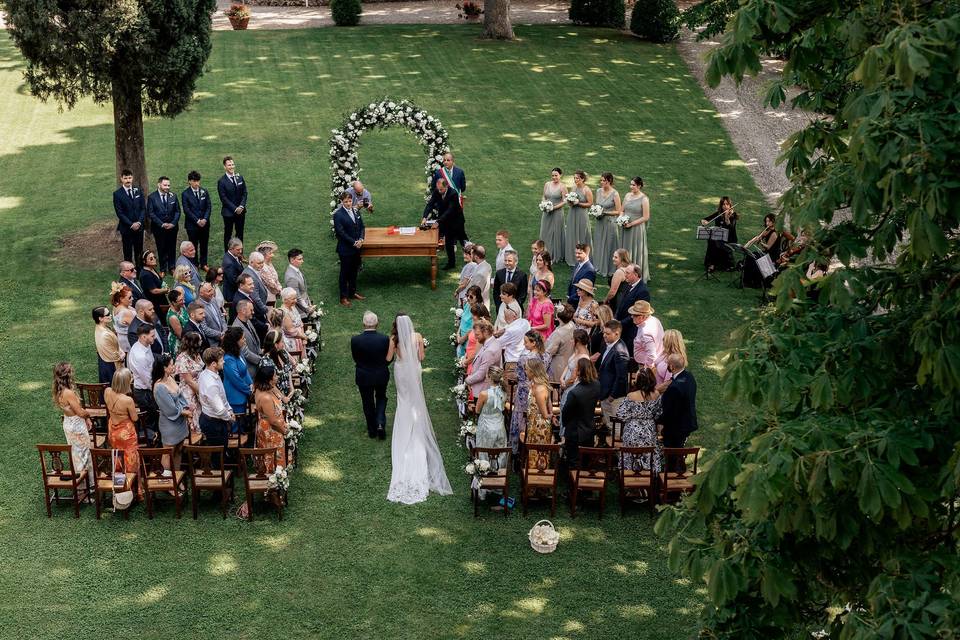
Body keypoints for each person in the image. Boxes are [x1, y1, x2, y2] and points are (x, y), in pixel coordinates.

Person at [386, 314, 453, 504]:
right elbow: (421, 357)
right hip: (414, 370)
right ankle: (416, 423)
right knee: (415, 401)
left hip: (400, 371)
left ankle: (404, 423)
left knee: (403, 399)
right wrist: (418, 351)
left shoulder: (393, 339)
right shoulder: (417, 337)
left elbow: (389, 358)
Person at [53, 362, 95, 489]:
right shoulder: (68, 393)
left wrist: (86, 418)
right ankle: (85, 486)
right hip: (76, 426)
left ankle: (83, 484)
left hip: (69, 422)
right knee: (84, 454)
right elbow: (80, 412)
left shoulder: (59, 391)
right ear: (68, 375)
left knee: (76, 454)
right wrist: (90, 413)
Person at [508, 331, 550, 455]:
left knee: (521, 418)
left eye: (526, 342)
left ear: (534, 343)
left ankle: (517, 451)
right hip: (542, 388)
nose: (524, 344)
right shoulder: (546, 356)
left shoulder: (524, 358)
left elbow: (519, 376)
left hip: (524, 393)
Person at [351, 311, 390, 440]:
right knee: (381, 397)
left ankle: (372, 430)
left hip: (363, 376)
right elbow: (389, 358)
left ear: (363, 324)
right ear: (377, 324)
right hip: (381, 375)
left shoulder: (355, 340)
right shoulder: (384, 339)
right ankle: (380, 423)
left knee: (367, 402)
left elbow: (355, 358)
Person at [104, 368, 142, 498]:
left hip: (113, 431)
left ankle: (119, 488)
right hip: (126, 433)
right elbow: (135, 418)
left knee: (117, 458)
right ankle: (131, 490)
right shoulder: (127, 400)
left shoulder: (107, 391)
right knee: (131, 460)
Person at [617, 367, 663, 472]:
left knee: (631, 452)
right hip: (649, 431)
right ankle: (647, 476)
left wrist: (632, 416)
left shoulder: (631, 396)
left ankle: (630, 475)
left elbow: (621, 415)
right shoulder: (656, 394)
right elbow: (659, 413)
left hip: (632, 431)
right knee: (648, 452)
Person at [560, 359, 602, 468]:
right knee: (586, 459)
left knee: (573, 460)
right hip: (589, 427)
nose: (574, 369)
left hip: (574, 430)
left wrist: (565, 425)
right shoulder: (597, 385)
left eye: (576, 368)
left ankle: (574, 481)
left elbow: (566, 413)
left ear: (579, 372)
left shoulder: (574, 393)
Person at [152, 354, 190, 472]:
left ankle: (177, 477)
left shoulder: (170, 378)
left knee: (178, 450)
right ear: (164, 368)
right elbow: (170, 409)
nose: (173, 366)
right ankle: (168, 481)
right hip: (170, 424)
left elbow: (180, 396)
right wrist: (186, 413)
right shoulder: (159, 387)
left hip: (180, 422)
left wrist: (187, 407)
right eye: (171, 364)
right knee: (168, 453)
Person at [659, 354, 698, 461]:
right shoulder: (689, 377)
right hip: (687, 421)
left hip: (675, 427)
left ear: (672, 367)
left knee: (672, 454)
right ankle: (678, 471)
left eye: (668, 364)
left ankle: (674, 472)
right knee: (679, 450)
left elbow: (668, 410)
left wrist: (657, 420)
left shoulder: (674, 388)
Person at [253, 364, 288, 472]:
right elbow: (273, 421)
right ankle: (273, 474)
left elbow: (276, 391)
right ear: (269, 380)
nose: (277, 377)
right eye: (275, 375)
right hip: (271, 431)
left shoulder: (263, 388)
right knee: (272, 453)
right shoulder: (266, 398)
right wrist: (284, 431)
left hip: (271, 427)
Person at [128, 324, 159, 443]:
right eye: (152, 336)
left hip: (148, 387)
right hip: (144, 391)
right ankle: (150, 445)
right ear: (143, 337)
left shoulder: (145, 345)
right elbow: (146, 379)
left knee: (153, 416)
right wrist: (157, 390)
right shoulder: (139, 355)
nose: (154, 338)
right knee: (149, 419)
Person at [197, 347, 234, 448]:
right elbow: (220, 410)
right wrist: (229, 417)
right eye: (221, 360)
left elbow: (222, 398)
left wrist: (229, 409)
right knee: (218, 456)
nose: (224, 362)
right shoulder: (211, 384)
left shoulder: (205, 373)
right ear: (213, 364)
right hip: (213, 423)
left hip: (213, 419)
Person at [521, 358, 554, 470]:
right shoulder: (534, 384)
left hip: (539, 427)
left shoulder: (540, 389)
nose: (525, 372)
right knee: (533, 452)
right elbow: (549, 404)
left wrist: (551, 416)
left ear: (532, 371)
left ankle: (537, 479)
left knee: (538, 454)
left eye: (526, 370)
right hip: (533, 424)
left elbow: (545, 414)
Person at [333, 191, 365, 306]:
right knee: (345, 273)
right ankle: (343, 297)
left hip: (357, 248)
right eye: (345, 201)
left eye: (350, 201)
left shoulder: (356, 211)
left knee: (354, 271)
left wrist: (361, 239)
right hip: (346, 249)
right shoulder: (338, 215)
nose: (348, 203)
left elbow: (362, 226)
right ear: (342, 202)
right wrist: (354, 242)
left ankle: (352, 292)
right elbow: (341, 232)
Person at [596, 320, 629, 430]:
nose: (604, 336)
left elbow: (621, 377)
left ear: (617, 334)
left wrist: (612, 396)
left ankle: (616, 447)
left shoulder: (620, 351)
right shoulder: (609, 345)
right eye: (604, 332)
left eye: (607, 333)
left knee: (616, 428)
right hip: (605, 393)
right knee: (608, 425)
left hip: (614, 398)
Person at [428, 178, 467, 270]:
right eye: (438, 189)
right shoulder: (437, 191)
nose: (439, 191)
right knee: (449, 242)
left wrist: (438, 221)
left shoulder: (453, 193)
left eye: (441, 189)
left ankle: (472, 257)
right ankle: (451, 263)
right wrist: (425, 217)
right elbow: (430, 204)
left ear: (446, 187)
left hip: (457, 221)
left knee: (463, 240)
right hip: (446, 221)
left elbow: (450, 210)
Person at [615, 264, 652, 357]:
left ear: (636, 275)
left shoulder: (643, 291)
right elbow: (621, 304)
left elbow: (638, 314)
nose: (625, 275)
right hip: (621, 325)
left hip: (631, 331)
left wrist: (620, 323)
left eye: (627, 273)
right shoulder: (628, 285)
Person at [147, 176, 181, 275]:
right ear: (159, 185)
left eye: (168, 185)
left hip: (172, 228)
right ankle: (162, 268)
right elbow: (151, 213)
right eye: (165, 185)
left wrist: (173, 223)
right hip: (159, 228)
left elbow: (177, 211)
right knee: (161, 247)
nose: (167, 187)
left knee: (172, 247)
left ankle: (172, 267)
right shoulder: (152, 197)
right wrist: (162, 224)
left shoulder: (173, 196)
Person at [114, 169, 146, 268]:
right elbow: (120, 213)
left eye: (129, 178)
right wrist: (131, 224)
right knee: (127, 251)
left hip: (139, 228)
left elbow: (143, 209)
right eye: (125, 178)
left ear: (132, 178)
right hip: (126, 228)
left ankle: (140, 271)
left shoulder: (138, 190)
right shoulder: (117, 194)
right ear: (121, 179)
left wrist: (139, 222)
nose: (128, 180)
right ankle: (128, 271)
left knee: (139, 250)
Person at [475, 366, 507, 466]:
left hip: (486, 425)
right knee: (499, 449)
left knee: (484, 448)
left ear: (489, 377)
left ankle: (484, 468)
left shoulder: (484, 394)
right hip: (500, 425)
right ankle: (498, 469)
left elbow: (477, 410)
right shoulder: (504, 392)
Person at [621, 177, 651, 281]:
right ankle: (624, 272)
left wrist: (631, 224)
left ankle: (635, 274)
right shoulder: (627, 195)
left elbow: (646, 217)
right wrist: (622, 219)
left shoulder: (644, 199)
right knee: (625, 249)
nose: (631, 187)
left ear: (639, 186)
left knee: (635, 249)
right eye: (631, 184)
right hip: (625, 227)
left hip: (637, 229)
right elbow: (622, 210)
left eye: (633, 185)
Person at [175, 331, 204, 437]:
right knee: (193, 415)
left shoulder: (196, 354)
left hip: (199, 386)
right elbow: (189, 381)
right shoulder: (182, 358)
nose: (201, 342)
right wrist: (202, 393)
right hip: (189, 391)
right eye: (199, 340)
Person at [593, 173, 622, 277]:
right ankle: (599, 265)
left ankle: (610, 267)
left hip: (610, 222)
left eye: (603, 181)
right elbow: (597, 205)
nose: (601, 183)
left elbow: (618, 211)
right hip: (600, 222)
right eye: (600, 180)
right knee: (599, 242)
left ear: (609, 181)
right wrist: (596, 211)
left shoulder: (615, 194)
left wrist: (605, 212)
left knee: (609, 243)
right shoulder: (598, 191)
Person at [181, 170, 212, 269]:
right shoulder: (185, 194)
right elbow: (187, 210)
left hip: (205, 224)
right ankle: (194, 263)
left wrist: (205, 219)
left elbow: (208, 206)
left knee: (204, 244)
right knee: (193, 245)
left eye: (198, 181)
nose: (197, 183)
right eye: (194, 181)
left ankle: (204, 263)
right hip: (192, 225)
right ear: (190, 181)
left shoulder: (204, 191)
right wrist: (197, 221)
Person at [701, 196, 738, 272]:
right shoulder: (719, 213)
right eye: (723, 204)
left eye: (727, 204)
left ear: (730, 205)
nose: (725, 206)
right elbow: (706, 219)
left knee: (714, 241)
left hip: (729, 238)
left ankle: (712, 264)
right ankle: (712, 264)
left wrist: (727, 218)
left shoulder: (733, 215)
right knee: (711, 240)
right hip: (719, 237)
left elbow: (731, 228)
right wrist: (704, 221)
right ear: (721, 205)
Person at [464, 320, 501, 399]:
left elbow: (481, 374)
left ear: (486, 332)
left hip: (483, 391)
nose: (475, 337)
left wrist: (467, 380)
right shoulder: (492, 343)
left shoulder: (490, 351)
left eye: (477, 334)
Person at [564, 170, 593, 266]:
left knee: (582, 233)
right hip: (572, 213)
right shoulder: (573, 187)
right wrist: (570, 201)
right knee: (572, 233)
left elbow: (590, 203)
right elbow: (570, 201)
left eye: (577, 178)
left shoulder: (587, 189)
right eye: (574, 178)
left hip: (581, 214)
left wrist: (578, 203)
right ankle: (572, 256)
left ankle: (584, 256)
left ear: (583, 179)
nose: (575, 180)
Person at [218, 156, 248, 250]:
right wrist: (235, 208)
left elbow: (245, 192)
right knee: (228, 234)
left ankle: (239, 254)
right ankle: (228, 255)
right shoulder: (221, 181)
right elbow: (223, 198)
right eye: (229, 165)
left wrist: (241, 206)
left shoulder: (240, 177)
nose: (231, 167)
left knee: (240, 233)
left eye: (232, 164)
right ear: (225, 167)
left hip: (241, 211)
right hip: (229, 213)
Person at [222, 327, 253, 419]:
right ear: (235, 341)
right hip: (235, 396)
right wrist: (249, 390)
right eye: (242, 338)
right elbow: (236, 379)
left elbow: (245, 370)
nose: (245, 340)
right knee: (237, 428)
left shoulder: (239, 352)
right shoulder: (228, 359)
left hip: (242, 392)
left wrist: (251, 383)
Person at [743, 214, 781, 288]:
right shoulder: (767, 230)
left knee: (754, 257)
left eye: (769, 221)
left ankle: (755, 282)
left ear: (773, 222)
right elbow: (758, 237)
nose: (767, 223)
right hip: (767, 253)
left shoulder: (774, 233)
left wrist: (761, 243)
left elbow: (768, 247)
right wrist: (749, 243)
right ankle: (747, 280)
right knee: (750, 255)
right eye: (766, 221)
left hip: (772, 256)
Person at [540, 167, 567, 258]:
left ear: (560, 175)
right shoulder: (547, 184)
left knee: (555, 232)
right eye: (552, 175)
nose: (554, 177)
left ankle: (555, 253)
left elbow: (564, 201)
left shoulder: (563, 187)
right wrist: (544, 204)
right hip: (546, 212)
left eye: (556, 175)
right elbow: (544, 196)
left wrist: (553, 207)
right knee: (545, 230)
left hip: (557, 212)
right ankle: (544, 251)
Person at [232, 299, 263, 378]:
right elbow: (244, 351)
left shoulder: (248, 321)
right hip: (249, 369)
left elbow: (255, 339)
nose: (253, 312)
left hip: (256, 365)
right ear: (243, 311)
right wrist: (260, 360)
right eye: (251, 310)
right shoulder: (236, 327)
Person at [93, 306, 125, 383]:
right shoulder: (105, 335)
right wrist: (121, 356)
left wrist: (120, 350)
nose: (110, 315)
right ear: (100, 318)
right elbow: (113, 356)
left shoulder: (100, 327)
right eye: (107, 314)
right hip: (111, 366)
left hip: (105, 362)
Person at [545, 302, 576, 381]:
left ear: (558, 317)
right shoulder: (572, 324)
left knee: (555, 386)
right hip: (570, 358)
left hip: (559, 363)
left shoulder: (558, 333)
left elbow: (551, 351)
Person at [630, 300, 664, 370]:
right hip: (659, 360)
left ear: (641, 317)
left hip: (648, 366)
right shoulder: (655, 320)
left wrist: (645, 370)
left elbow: (651, 356)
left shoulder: (645, 332)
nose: (631, 317)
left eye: (633, 315)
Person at [233, 273, 267, 339]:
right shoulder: (240, 300)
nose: (253, 286)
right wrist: (265, 326)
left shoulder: (247, 294)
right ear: (241, 285)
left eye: (252, 283)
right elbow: (251, 319)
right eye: (249, 284)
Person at [284, 248, 315, 319]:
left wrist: (309, 303)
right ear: (292, 260)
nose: (302, 261)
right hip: (300, 311)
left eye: (302, 258)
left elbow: (303, 291)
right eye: (299, 259)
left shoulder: (296, 269)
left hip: (305, 304)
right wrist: (308, 309)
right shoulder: (291, 277)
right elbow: (297, 297)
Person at [280, 287, 309, 356]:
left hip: (300, 337)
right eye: (293, 299)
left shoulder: (293, 307)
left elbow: (300, 323)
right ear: (285, 300)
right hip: (293, 343)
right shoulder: (284, 312)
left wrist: (303, 336)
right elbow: (292, 331)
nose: (295, 301)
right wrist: (304, 337)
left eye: (295, 298)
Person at [455, 286, 481, 358]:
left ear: (477, 297)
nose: (468, 298)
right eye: (467, 295)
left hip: (469, 340)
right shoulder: (467, 305)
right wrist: (458, 334)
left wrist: (462, 339)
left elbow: (474, 328)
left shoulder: (477, 310)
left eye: (471, 296)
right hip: (461, 337)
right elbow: (462, 320)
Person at [463, 302, 490, 369]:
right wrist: (465, 356)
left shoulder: (482, 331)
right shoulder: (476, 325)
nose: (472, 316)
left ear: (480, 316)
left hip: (474, 362)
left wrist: (465, 362)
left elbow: (476, 353)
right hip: (468, 358)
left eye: (474, 315)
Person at [111, 284, 135, 353]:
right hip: (129, 340)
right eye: (129, 297)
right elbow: (137, 328)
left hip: (121, 338)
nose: (132, 299)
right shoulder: (126, 312)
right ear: (121, 299)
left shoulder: (116, 306)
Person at [165, 288, 189, 354]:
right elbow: (181, 336)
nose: (183, 301)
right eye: (180, 300)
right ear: (173, 302)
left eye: (183, 299)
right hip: (180, 344)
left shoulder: (181, 307)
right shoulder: (173, 317)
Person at [221, 237, 245, 302]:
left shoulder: (232, 255)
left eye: (241, 249)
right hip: (233, 294)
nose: (240, 251)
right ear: (231, 249)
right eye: (238, 250)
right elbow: (234, 281)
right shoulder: (229, 263)